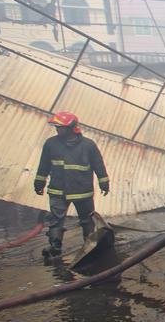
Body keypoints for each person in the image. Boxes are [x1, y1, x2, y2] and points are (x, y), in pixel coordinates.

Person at [34, 111, 109, 259]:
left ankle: (89, 247)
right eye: (56, 127)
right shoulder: (50, 143)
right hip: (57, 191)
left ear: (72, 128)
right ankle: (55, 248)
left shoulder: (88, 145)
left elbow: (98, 164)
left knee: (87, 220)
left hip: (82, 191)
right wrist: (39, 182)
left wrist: (104, 182)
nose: (57, 129)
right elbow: (44, 165)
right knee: (56, 220)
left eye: (60, 127)